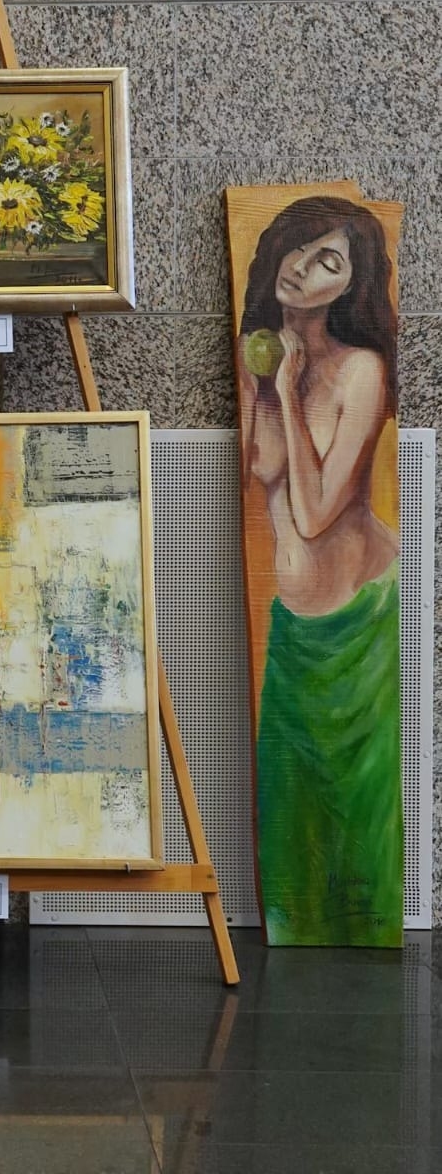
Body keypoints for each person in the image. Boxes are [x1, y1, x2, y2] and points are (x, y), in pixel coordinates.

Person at [238, 194, 402, 946]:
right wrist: (266, 383)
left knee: (362, 822)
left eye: (327, 260)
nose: (301, 267)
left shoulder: (360, 372)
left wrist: (284, 390)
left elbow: (312, 513)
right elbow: (256, 471)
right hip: (295, 632)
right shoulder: (256, 358)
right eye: (299, 248)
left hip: (361, 630)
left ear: (350, 286)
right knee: (293, 827)